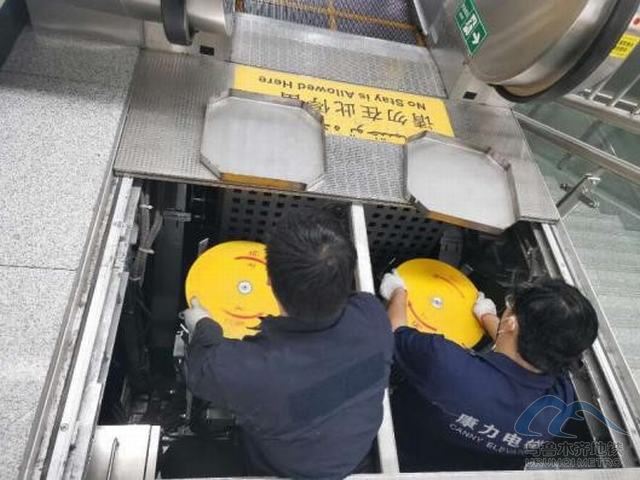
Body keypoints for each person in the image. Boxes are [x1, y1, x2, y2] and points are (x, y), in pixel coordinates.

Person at [182, 208, 394, 479]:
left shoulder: (254, 374)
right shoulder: (373, 318)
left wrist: (201, 324)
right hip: (349, 459)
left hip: (280, 469)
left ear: (268, 280)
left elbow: (201, 371)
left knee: (179, 458)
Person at [379, 274, 598, 471]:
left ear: (510, 323)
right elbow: (534, 348)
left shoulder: (441, 360)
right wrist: (486, 317)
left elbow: (394, 333)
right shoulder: (561, 403)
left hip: (402, 456)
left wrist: (398, 291)